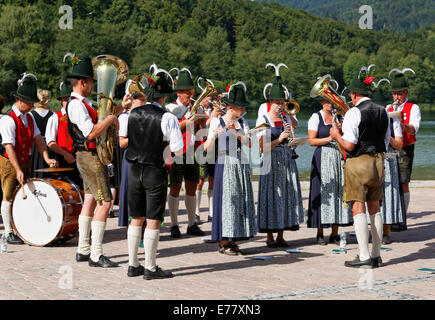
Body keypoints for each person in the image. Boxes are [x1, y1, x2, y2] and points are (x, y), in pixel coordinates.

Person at [65, 55, 130, 268]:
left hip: (88, 157)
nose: (94, 84)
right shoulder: (76, 106)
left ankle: (83, 249)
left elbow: (101, 120)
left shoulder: (83, 104)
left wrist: (120, 108)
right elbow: (91, 133)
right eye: (91, 81)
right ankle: (96, 254)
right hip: (90, 157)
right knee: (106, 202)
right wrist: (112, 119)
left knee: (92, 199)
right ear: (83, 82)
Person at [126, 68, 183, 279]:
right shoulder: (168, 118)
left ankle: (133, 265)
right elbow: (177, 150)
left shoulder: (131, 114)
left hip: (133, 169)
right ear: (164, 96)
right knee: (153, 219)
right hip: (154, 170)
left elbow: (126, 140)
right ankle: (150, 267)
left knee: (136, 218)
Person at [330, 73, 390, 268]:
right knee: (375, 208)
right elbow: (386, 141)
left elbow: (348, 145)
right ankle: (376, 255)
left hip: (359, 162)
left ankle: (363, 255)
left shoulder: (353, 113)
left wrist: (336, 135)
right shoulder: (383, 111)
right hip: (379, 161)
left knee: (358, 207)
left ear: (354, 94)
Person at [0, 74, 58, 244]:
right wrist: (17, 169)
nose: (33, 105)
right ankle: (8, 232)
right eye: (30, 102)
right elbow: (9, 147)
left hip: (26, 160)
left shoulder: (30, 117)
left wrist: (47, 158)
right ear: (20, 100)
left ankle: (20, 226)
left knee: (23, 195)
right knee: (8, 195)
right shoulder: (8, 120)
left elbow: (39, 140)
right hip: (9, 162)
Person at [204, 82, 256, 256]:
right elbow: (206, 149)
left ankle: (234, 238)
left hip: (240, 163)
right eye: (240, 107)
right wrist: (215, 136)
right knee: (226, 201)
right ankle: (223, 240)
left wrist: (236, 132)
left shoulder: (242, 122)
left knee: (239, 200)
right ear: (232, 107)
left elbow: (249, 143)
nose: (242, 110)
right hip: (224, 163)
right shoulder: (216, 122)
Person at [256, 77, 304, 248]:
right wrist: (280, 139)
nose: (280, 105)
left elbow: (293, 132)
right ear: (270, 102)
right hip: (270, 161)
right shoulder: (263, 119)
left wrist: (292, 137)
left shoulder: (286, 118)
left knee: (285, 196)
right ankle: (269, 236)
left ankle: (281, 235)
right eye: (277, 103)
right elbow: (262, 147)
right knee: (270, 196)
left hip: (286, 160)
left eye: (282, 102)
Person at [165, 68, 206, 238]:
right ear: (179, 92)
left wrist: (201, 121)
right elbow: (168, 131)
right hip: (176, 151)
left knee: (191, 186)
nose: (190, 95)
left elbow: (204, 131)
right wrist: (187, 122)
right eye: (187, 93)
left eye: (191, 92)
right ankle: (174, 224)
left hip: (192, 151)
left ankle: (191, 223)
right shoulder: (170, 108)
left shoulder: (196, 107)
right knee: (174, 187)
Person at [307, 96, 353, 245]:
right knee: (322, 192)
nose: (331, 105)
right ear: (322, 102)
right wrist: (330, 137)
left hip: (338, 156)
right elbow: (311, 141)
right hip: (323, 156)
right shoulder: (316, 117)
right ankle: (320, 232)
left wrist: (340, 132)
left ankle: (334, 233)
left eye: (333, 102)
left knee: (339, 193)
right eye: (327, 101)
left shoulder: (340, 116)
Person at [371, 87, 404, 244]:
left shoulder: (393, 119)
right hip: (371, 159)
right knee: (372, 195)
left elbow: (399, 144)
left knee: (389, 195)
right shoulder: (367, 118)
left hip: (388, 160)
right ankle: (372, 230)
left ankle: (386, 232)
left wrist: (387, 134)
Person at [389, 69, 421, 229]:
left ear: (405, 92)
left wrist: (401, 124)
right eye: (394, 94)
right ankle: (391, 216)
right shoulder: (389, 107)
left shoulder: (413, 107)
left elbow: (413, 129)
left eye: (399, 94)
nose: (396, 97)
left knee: (403, 183)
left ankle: (402, 217)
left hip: (405, 149)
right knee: (389, 182)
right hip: (390, 148)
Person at [45, 79, 82, 188]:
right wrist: (66, 154)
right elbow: (51, 143)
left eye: (71, 99)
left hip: (80, 160)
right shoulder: (54, 118)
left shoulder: (80, 115)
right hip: (63, 161)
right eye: (66, 100)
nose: (69, 102)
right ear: (61, 101)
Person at [195, 93, 223, 224]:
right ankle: (196, 212)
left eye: (211, 98)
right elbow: (201, 129)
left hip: (215, 149)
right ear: (201, 99)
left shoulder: (216, 112)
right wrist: (212, 117)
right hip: (201, 148)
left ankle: (212, 212)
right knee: (200, 181)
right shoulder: (199, 111)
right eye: (208, 97)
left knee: (213, 180)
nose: (210, 100)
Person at [31, 89, 53, 178]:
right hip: (49, 147)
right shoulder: (53, 115)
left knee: (34, 174)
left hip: (34, 147)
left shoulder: (30, 115)